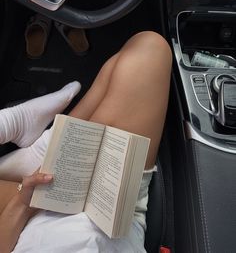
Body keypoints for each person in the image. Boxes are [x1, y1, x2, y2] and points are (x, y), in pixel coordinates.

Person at [0, 31, 172, 253]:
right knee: (148, 49)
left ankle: (33, 140)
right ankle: (36, 142)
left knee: (142, 52)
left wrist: (22, 204)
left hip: (31, 218)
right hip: (108, 219)